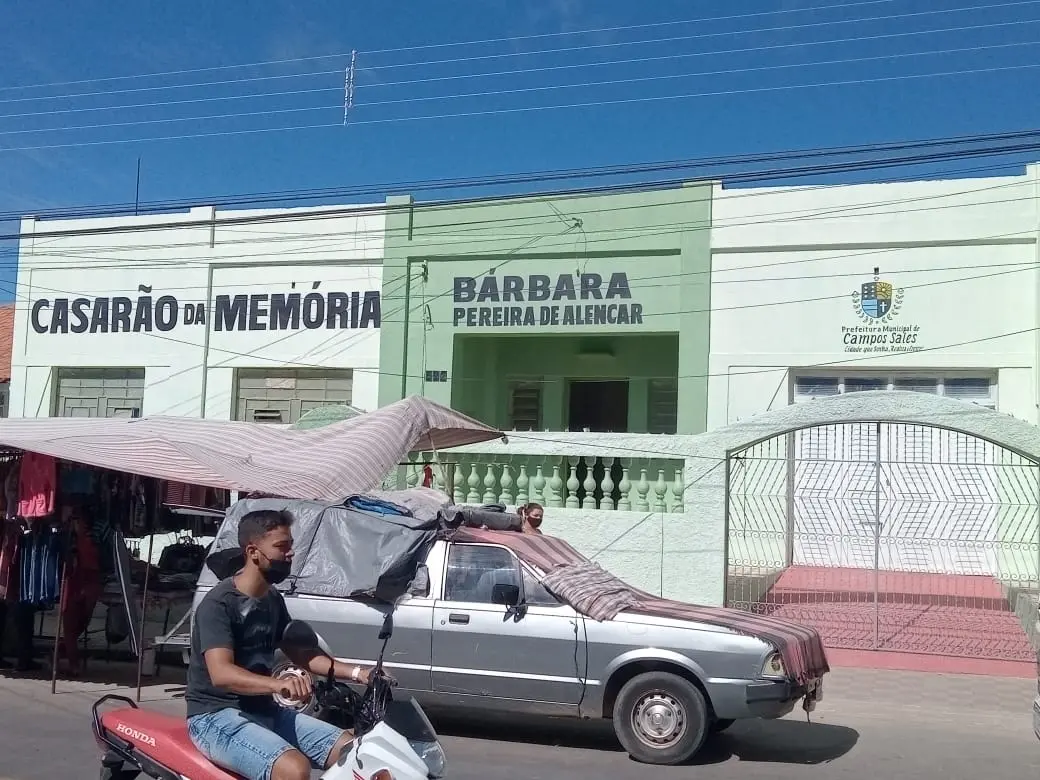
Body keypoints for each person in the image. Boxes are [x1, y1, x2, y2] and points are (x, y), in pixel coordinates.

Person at [185, 509, 386, 780]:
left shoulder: (272, 599)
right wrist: (277, 684)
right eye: (281, 547)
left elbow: (303, 654)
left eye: (291, 546)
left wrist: (359, 673)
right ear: (253, 551)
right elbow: (221, 674)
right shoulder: (219, 604)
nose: (289, 554)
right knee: (294, 768)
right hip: (214, 717)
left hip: (263, 710)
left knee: (354, 753)